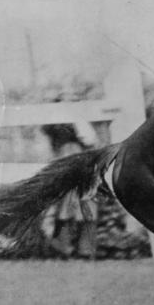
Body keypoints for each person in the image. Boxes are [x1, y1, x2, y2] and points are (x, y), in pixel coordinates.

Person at [41, 102, 100, 259]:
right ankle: (63, 248)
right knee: (64, 207)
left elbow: (89, 139)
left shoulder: (79, 119)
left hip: (81, 161)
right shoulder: (53, 121)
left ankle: (84, 250)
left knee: (85, 204)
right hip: (64, 160)